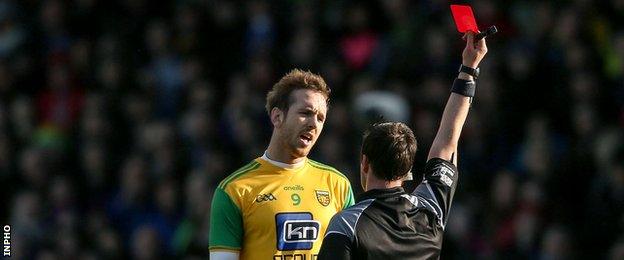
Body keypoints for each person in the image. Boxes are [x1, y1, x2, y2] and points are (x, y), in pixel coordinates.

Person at [317, 31, 488, 259]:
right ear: (408, 170)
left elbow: (447, 141)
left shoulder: (347, 225)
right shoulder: (429, 211)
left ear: (365, 162)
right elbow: (449, 141)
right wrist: (469, 68)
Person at [209, 69, 355, 260]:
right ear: (277, 116)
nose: (314, 124)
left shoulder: (338, 185)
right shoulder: (234, 190)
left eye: (321, 118)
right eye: (306, 113)